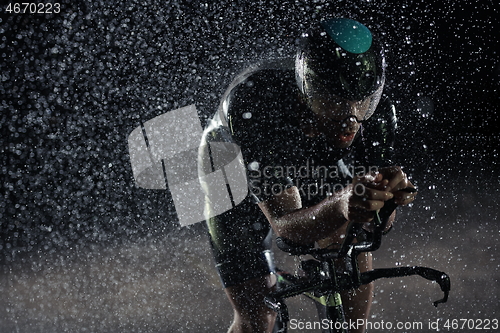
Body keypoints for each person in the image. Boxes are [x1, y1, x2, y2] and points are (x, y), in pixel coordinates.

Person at [198, 18, 417, 333]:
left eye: (362, 101)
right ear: (307, 90)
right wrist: (343, 205)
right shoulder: (256, 104)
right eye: (335, 101)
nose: (350, 120)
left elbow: (371, 223)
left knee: (351, 306)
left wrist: (383, 202)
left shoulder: (379, 115)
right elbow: (286, 226)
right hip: (227, 168)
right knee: (257, 318)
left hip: (298, 154)